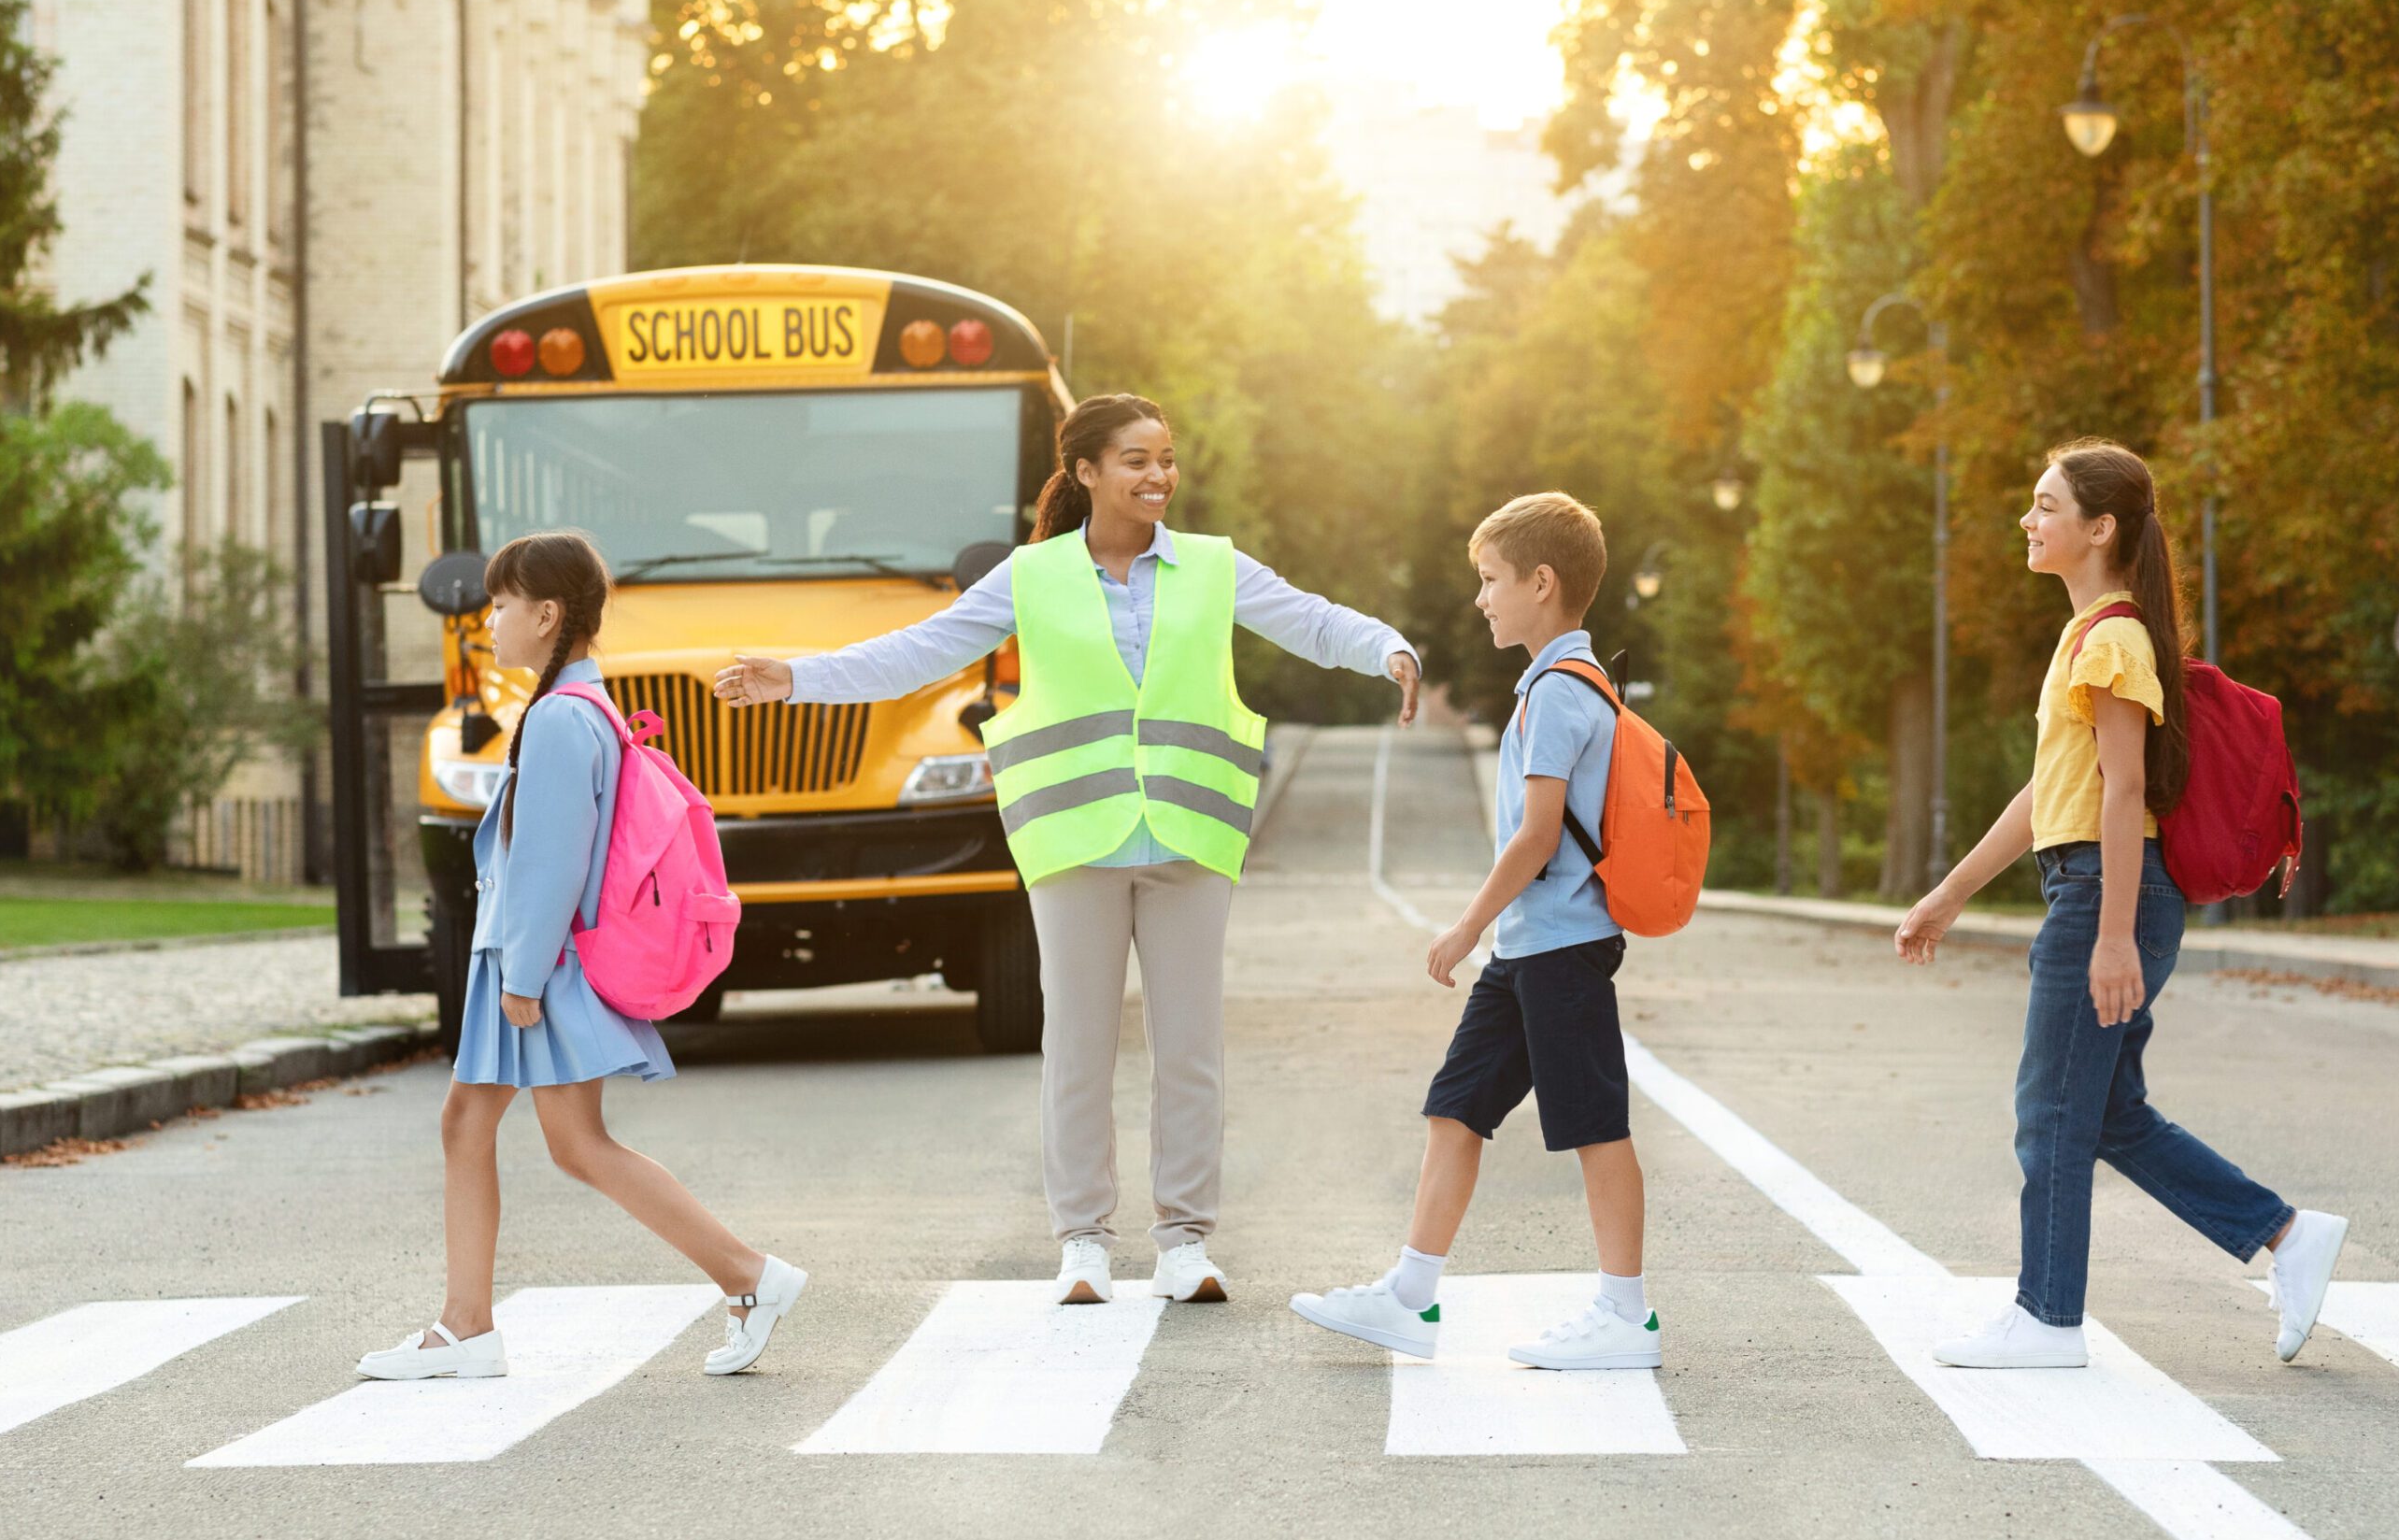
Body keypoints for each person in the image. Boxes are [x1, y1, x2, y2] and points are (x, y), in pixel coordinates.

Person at [717, 393, 1419, 1307]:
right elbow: (918, 655)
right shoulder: (1031, 576)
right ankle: (1083, 1242)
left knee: (1191, 1050)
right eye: (1135, 459)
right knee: (1077, 1050)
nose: (1158, 475)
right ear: (1085, 472)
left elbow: (1313, 621)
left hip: (1190, 836)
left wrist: (1388, 649)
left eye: (1166, 458)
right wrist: (795, 679)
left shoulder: (1212, 567)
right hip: (1073, 840)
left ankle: (1184, 1242)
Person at [1892, 442, 2347, 1369]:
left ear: (2100, 528)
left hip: (2108, 892)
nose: (2028, 520)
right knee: (2105, 1114)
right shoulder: (2089, 637)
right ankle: (2287, 1238)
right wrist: (1948, 895)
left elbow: (2126, 792)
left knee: (2049, 1113)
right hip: (2093, 885)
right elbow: (2045, 795)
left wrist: (2109, 939)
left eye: (2045, 505)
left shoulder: (2113, 641)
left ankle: (2047, 1318)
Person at [360, 530, 805, 1382]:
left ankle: (749, 1276)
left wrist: (520, 977)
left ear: (547, 614)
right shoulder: (577, 705)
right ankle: (470, 1327)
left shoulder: (563, 717)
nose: (489, 622)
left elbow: (554, 858)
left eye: (500, 605)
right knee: (511, 1131)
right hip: (534, 958)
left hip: (537, 963)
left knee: (562, 1140)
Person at [1290, 492, 1663, 1370]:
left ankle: (1627, 1317)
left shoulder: (1561, 696)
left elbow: (1538, 837)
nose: (1481, 598)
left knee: (1595, 1126)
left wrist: (1463, 928)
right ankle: (1409, 1299)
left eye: (1491, 581)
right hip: (1530, 951)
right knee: (1455, 1110)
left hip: (1560, 949)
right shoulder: (1556, 686)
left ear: (1542, 582)